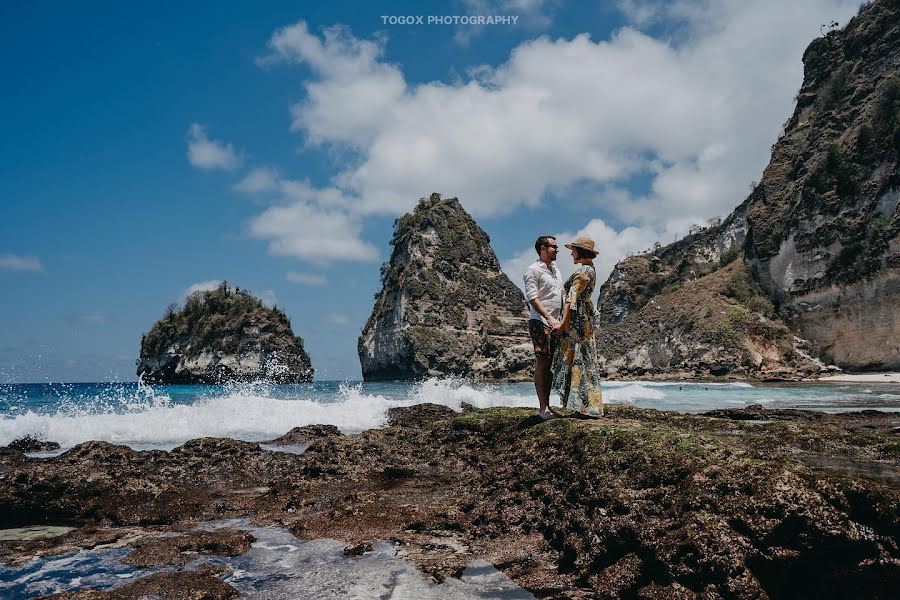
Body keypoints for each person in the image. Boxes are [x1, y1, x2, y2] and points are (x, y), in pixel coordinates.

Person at [551, 236, 603, 417]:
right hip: (584, 321)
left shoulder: (583, 272)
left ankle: (579, 406)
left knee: (576, 359)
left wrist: (563, 324)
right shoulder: (591, 270)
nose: (571, 253)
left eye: (573, 250)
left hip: (576, 323)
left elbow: (570, 300)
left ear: (581, 251)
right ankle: (586, 406)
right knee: (584, 361)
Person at [523, 235, 563, 420]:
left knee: (552, 364)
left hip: (557, 323)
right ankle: (542, 408)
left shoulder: (556, 269)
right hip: (540, 322)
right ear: (542, 248)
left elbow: (561, 295)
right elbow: (533, 298)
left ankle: (548, 405)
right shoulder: (532, 270)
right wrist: (548, 318)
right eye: (554, 247)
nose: (557, 250)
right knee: (543, 362)